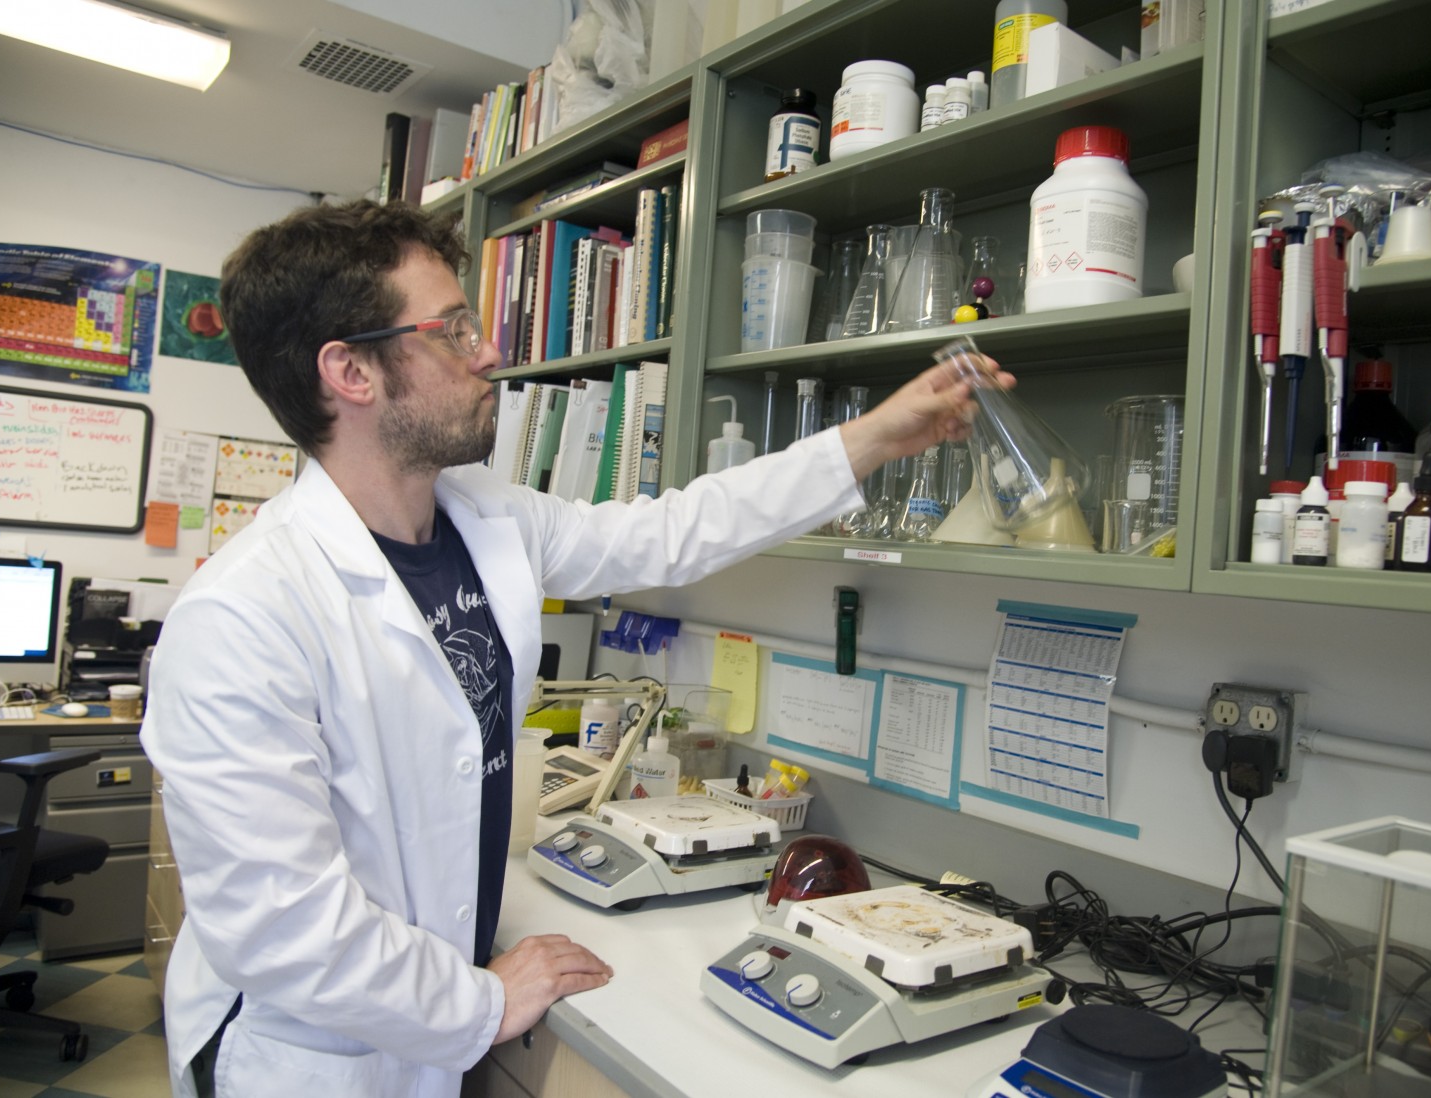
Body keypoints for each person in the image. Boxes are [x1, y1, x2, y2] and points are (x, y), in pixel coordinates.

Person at [141, 198, 1011, 1098]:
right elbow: (283, 930)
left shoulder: (489, 522)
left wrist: (877, 437)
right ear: (351, 372)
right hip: (305, 1061)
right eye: (451, 329)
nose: (488, 352)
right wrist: (476, 1004)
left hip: (422, 1019)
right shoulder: (242, 618)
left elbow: (677, 532)